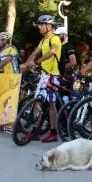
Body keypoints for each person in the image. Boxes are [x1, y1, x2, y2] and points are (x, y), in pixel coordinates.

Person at [20, 15, 62, 143]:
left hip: (53, 75)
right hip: (44, 75)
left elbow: (53, 51)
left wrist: (37, 62)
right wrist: (26, 64)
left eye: (41, 25)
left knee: (51, 104)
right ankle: (36, 131)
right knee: (37, 102)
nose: (39, 27)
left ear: (49, 26)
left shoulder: (54, 38)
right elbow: (34, 53)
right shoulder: (43, 40)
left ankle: (53, 132)